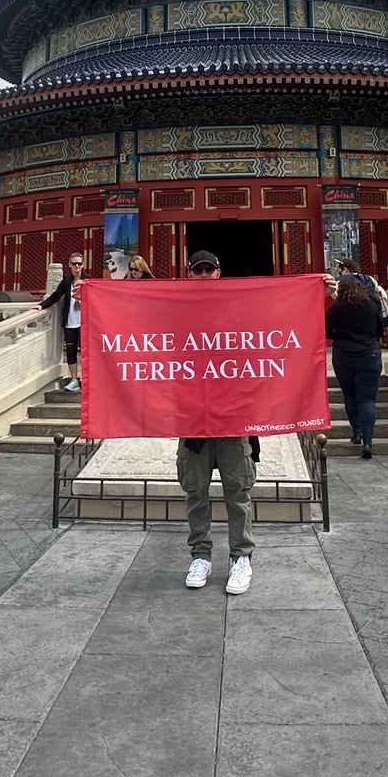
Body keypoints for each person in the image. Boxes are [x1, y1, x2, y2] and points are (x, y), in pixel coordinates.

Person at [177, 248, 257, 597]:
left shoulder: (238, 308)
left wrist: (322, 294)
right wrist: (88, 297)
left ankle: (241, 557)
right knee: (196, 492)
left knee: (237, 492)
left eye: (210, 270)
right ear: (189, 275)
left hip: (233, 415)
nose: (205, 275)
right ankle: (201, 555)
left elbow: (279, 324)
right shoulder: (175, 310)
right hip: (192, 417)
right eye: (199, 271)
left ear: (219, 273)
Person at [326, 272, 386, 458]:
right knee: (367, 400)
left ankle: (357, 432)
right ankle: (368, 441)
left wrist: (341, 339)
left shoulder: (336, 309)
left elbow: (328, 331)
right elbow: (379, 329)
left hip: (344, 354)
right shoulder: (371, 306)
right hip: (369, 354)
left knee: (350, 395)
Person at [42, 251, 86, 391]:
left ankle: (86, 379)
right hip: (70, 322)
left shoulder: (88, 280)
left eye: (79, 263)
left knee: (86, 352)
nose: (77, 266)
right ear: (70, 265)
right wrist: (41, 305)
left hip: (84, 323)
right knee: (71, 351)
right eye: (74, 264)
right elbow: (55, 296)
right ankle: (74, 379)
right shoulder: (66, 282)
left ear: (83, 265)